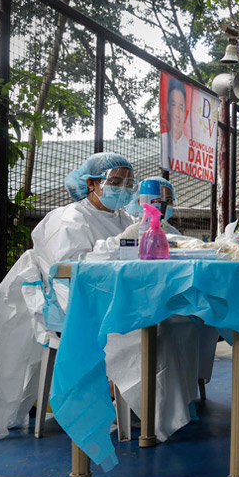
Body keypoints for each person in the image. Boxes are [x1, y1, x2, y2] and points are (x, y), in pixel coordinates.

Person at [0, 154, 137, 438]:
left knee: (173, 324)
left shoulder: (125, 218)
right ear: (91, 183)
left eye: (128, 183)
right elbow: (70, 270)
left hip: (112, 300)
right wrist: (117, 245)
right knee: (136, 332)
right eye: (114, 181)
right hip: (75, 308)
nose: (122, 188)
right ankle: (133, 401)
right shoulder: (68, 219)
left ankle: (147, 403)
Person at [91, 176, 216, 439]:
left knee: (201, 323)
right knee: (165, 332)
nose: (162, 206)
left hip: (163, 306)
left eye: (167, 201)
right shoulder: (129, 231)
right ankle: (143, 406)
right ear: (141, 202)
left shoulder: (171, 234)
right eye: (157, 201)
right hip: (128, 308)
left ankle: (181, 398)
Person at [160, 78, 189, 173]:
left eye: (181, 108)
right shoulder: (161, 141)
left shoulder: (191, 148)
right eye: (173, 105)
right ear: (167, 108)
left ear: (186, 113)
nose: (177, 113)